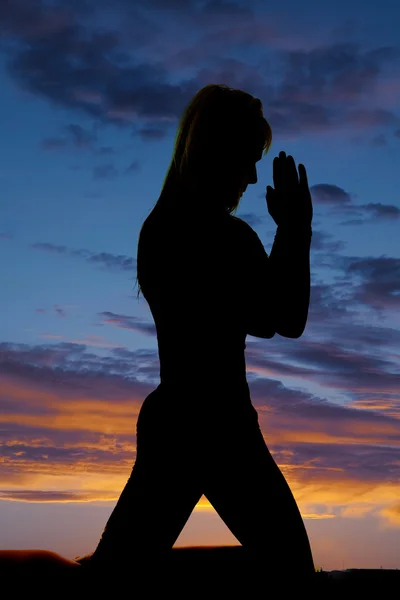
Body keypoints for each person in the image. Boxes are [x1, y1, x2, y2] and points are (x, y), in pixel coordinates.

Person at [89, 84, 315, 582]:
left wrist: (289, 234)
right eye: (248, 158)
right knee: (292, 568)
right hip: (216, 426)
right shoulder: (221, 237)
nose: (254, 177)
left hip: (182, 422)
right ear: (220, 150)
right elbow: (283, 318)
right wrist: (294, 231)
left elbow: (272, 318)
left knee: (120, 571)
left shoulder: (162, 228)